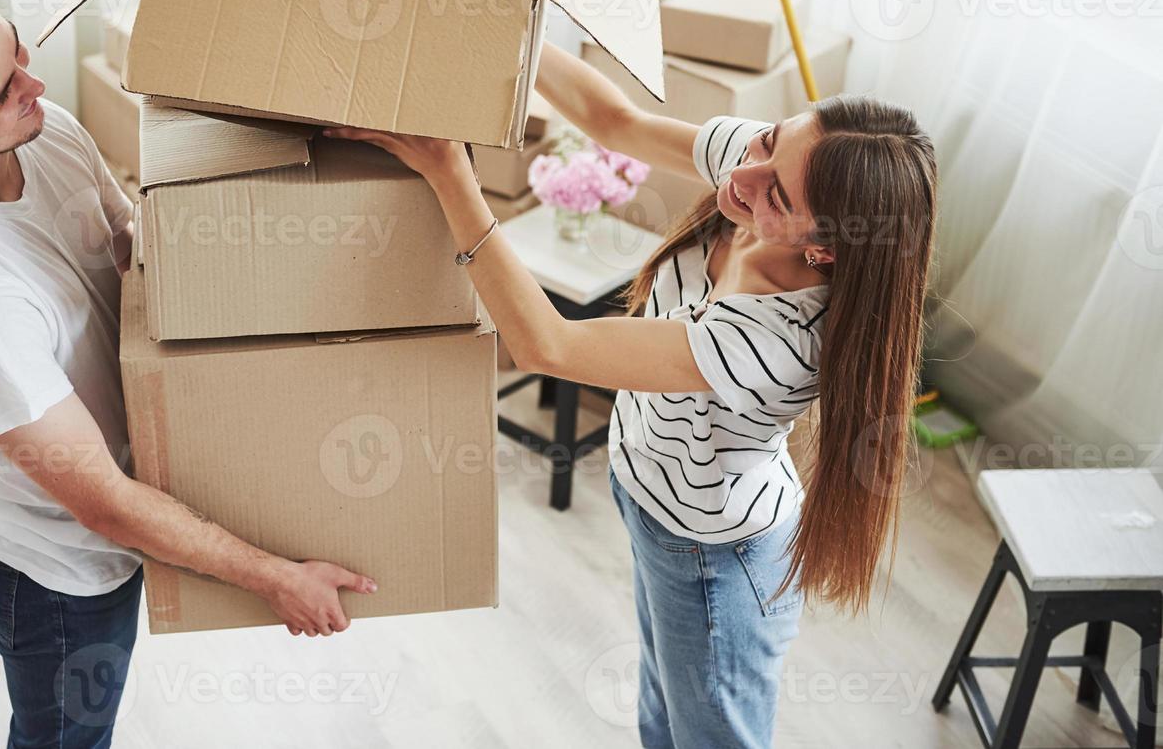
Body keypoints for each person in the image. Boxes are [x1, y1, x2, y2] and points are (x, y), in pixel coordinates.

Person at [326, 41, 937, 749]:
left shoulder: (775, 338)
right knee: (661, 715)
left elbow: (546, 346)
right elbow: (609, 117)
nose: (743, 173)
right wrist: (511, 16)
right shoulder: (767, 168)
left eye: (778, 194)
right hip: (651, 495)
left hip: (713, 554)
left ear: (825, 249)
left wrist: (446, 170)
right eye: (768, 139)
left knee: (708, 736)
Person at [0, 0, 375, 749]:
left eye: (17, 51)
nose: (35, 84)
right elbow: (104, 506)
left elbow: (129, 249)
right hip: (55, 572)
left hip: (119, 504)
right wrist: (278, 577)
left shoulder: (39, 126)